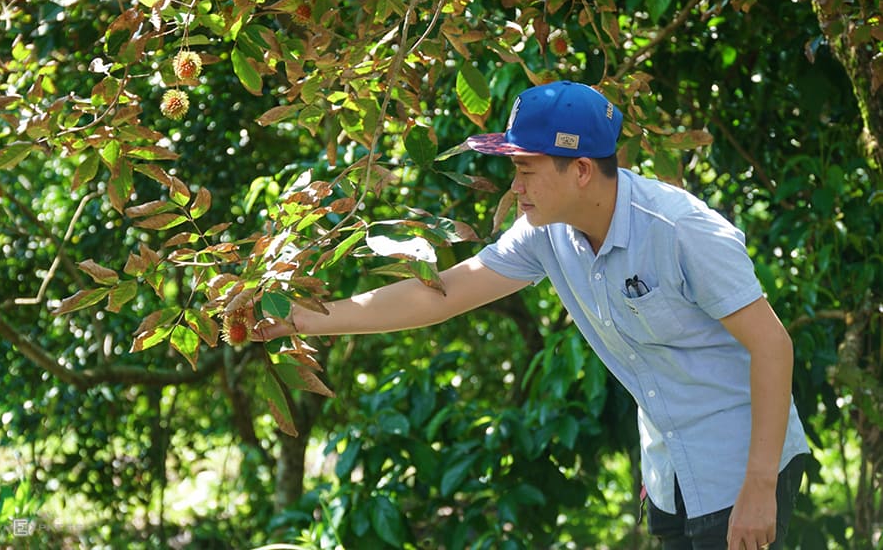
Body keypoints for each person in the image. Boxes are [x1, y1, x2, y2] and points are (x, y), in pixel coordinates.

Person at [255, 80, 810, 550]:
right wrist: (303, 318)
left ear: (583, 171)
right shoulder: (545, 234)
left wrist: (758, 483)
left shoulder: (679, 230)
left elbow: (772, 345)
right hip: (671, 470)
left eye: (526, 169)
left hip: (743, 463)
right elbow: (440, 294)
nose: (514, 186)